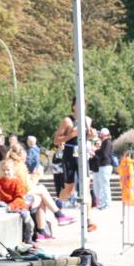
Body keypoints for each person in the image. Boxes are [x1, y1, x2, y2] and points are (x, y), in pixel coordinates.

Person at [53, 98, 96, 231]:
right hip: (69, 155)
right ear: (73, 106)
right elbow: (56, 140)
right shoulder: (67, 121)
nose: (81, 107)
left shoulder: (87, 120)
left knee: (86, 187)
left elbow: (86, 137)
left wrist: (90, 135)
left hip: (83, 155)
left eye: (84, 104)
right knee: (69, 190)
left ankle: (89, 221)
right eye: (79, 104)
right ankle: (57, 205)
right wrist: (70, 135)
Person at [93, 128, 114, 210]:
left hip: (105, 166)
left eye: (100, 134)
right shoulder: (105, 142)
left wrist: (96, 152)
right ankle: (103, 204)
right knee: (102, 186)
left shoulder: (107, 142)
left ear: (103, 134)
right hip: (103, 166)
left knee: (105, 186)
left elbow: (104, 154)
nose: (99, 135)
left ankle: (107, 204)